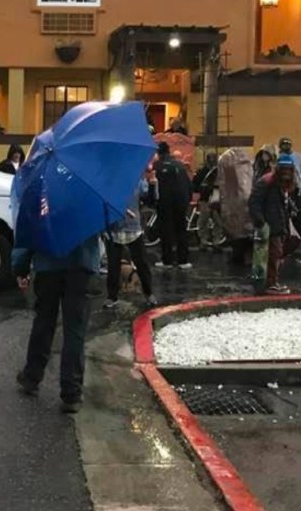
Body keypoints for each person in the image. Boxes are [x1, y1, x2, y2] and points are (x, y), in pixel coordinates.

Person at [13, 234, 100, 414]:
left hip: (48, 265)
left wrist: (21, 267)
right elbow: (110, 226)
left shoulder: (44, 211)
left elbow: (29, 231)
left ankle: (31, 377)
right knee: (75, 330)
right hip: (81, 265)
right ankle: (71, 393)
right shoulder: (88, 213)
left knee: (43, 322)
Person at [103, 178, 158, 309]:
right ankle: (112, 296)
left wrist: (152, 185)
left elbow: (150, 201)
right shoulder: (107, 182)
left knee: (142, 263)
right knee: (113, 265)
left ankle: (149, 293)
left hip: (133, 228)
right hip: (113, 229)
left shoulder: (137, 180)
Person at [249, 154, 296, 294]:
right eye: (284, 168)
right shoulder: (268, 181)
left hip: (276, 224)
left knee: (275, 255)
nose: (287, 172)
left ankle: (270, 282)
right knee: (273, 255)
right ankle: (270, 284)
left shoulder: (278, 182)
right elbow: (254, 202)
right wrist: (261, 222)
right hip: (269, 225)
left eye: (288, 169)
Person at [153, 142, 192, 270]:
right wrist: (188, 200)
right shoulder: (180, 165)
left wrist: (153, 200)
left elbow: (156, 186)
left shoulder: (158, 166)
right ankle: (183, 260)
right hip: (181, 202)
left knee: (166, 231)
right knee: (181, 230)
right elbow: (188, 184)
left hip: (165, 203)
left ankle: (167, 260)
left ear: (159, 153)